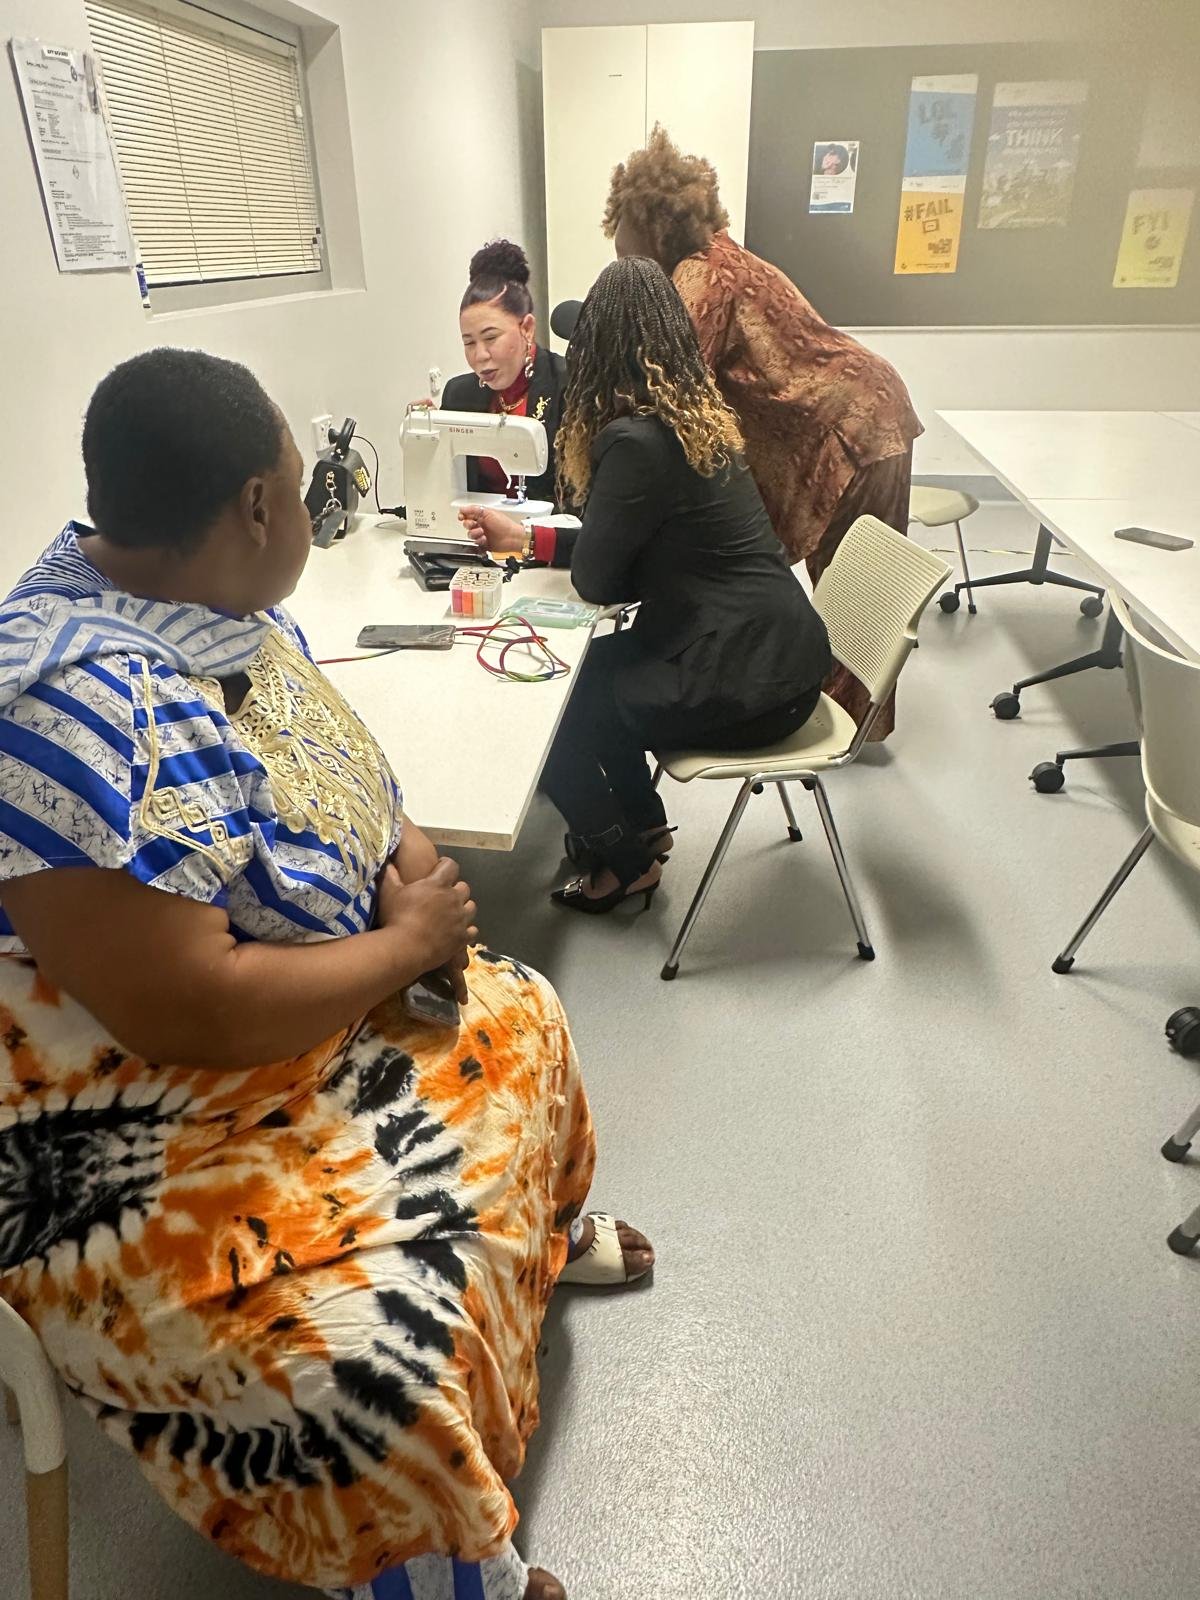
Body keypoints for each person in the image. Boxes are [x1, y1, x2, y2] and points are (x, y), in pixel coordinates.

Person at [0, 348, 653, 1600]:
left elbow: (340, 765)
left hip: (300, 1012)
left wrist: (407, 865)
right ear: (257, 506)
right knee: (365, 1374)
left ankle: (537, 1243)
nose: (312, 513)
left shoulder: (211, 608)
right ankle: (443, 1569)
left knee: (522, 1013)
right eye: (305, 492)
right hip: (144, 1112)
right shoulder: (70, 708)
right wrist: (407, 942)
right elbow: (190, 1004)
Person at [461, 258, 832, 912]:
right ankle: (646, 825)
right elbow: (621, 543)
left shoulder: (635, 441)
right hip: (777, 650)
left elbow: (598, 577)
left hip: (753, 681)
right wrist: (523, 537)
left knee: (551, 711)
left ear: (598, 351)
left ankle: (624, 861)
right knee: (592, 672)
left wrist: (550, 546)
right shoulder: (690, 419)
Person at [603, 126, 923, 738]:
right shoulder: (722, 255)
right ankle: (846, 720)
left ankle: (835, 731)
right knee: (849, 590)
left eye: (627, 253)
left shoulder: (701, 276)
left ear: (657, 227)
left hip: (852, 423)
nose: (625, 266)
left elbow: (670, 379)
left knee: (852, 598)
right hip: (868, 407)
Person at [432, 239, 567, 509]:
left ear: (526, 328)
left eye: (490, 338)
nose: (480, 355)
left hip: (549, 538)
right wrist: (428, 439)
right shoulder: (459, 395)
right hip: (476, 537)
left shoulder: (567, 384)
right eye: (469, 343)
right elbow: (444, 489)